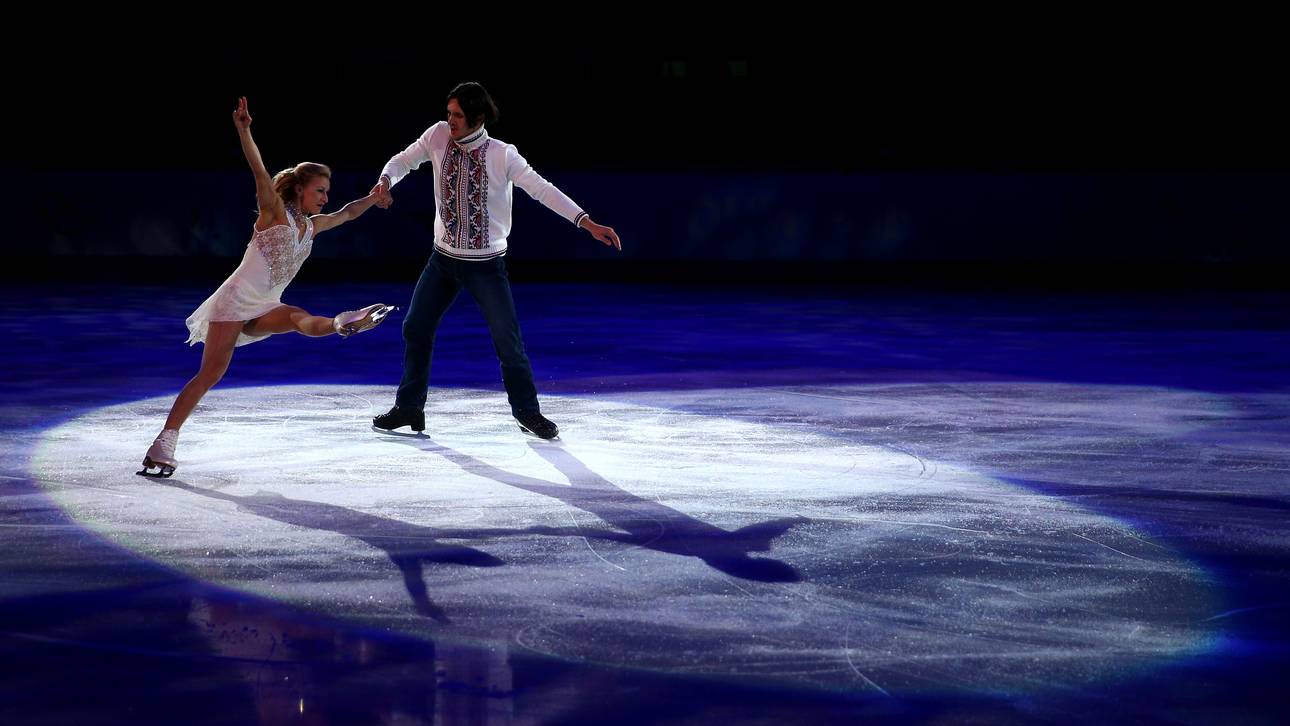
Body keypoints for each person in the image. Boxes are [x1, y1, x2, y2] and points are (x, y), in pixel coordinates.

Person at [138, 97, 393, 478]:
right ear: (299, 190)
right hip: (235, 301)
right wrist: (244, 131)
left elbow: (348, 212)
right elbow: (259, 171)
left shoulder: (311, 226)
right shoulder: (274, 213)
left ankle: (342, 322)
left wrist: (373, 199)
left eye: (327, 191)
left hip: (265, 303)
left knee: (296, 317)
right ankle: (164, 441)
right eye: (320, 191)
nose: (326, 198)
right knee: (211, 373)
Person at [369, 82, 621, 440]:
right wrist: (385, 181)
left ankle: (528, 413)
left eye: (457, 115)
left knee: (508, 341)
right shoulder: (438, 136)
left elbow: (541, 189)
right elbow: (403, 160)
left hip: (485, 265)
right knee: (415, 327)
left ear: (478, 118)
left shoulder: (502, 154)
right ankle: (410, 407)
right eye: (449, 113)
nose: (450, 121)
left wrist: (585, 221)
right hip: (441, 261)